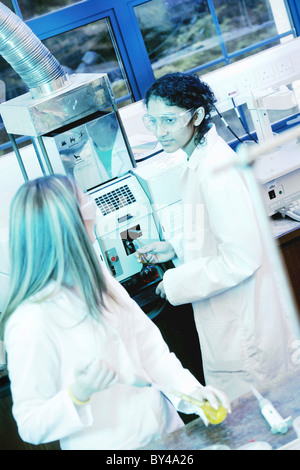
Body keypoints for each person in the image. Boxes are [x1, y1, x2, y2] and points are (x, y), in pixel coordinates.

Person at [0, 174, 230, 450]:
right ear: (65, 225)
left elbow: (150, 352)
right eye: (83, 203)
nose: (92, 211)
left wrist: (193, 395)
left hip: (166, 435)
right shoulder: (30, 320)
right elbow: (30, 424)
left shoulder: (97, 278)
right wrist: (77, 395)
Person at [138, 72, 294, 400]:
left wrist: (175, 283)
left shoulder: (214, 172)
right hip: (229, 321)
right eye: (152, 121)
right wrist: (174, 248)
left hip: (243, 329)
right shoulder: (197, 163)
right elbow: (213, 234)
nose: (159, 131)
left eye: (168, 120)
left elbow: (240, 258)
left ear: (196, 116)